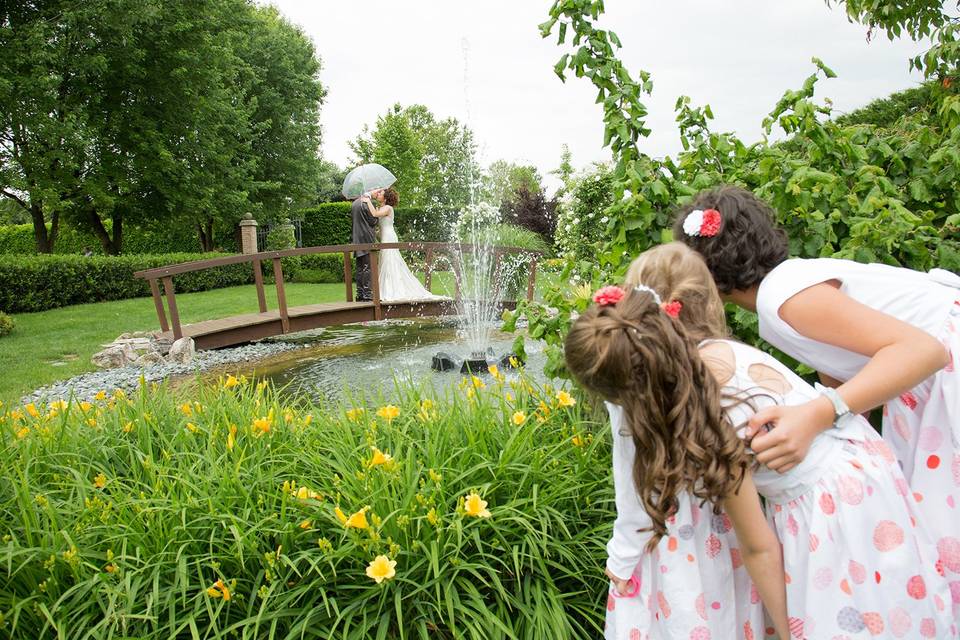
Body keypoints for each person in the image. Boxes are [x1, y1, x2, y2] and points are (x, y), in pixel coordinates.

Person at [565, 242, 955, 639]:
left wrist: (789, 632)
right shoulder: (716, 353)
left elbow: (759, 547)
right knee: (891, 609)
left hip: (832, 512)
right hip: (869, 474)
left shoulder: (699, 406)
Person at [672, 186, 960, 607]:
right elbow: (848, 377)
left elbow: (924, 351)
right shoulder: (788, 288)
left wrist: (817, 414)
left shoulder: (782, 298)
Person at [361, 187, 446, 302]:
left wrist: (367, 201)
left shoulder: (388, 208)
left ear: (386, 197)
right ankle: (387, 288)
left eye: (381, 193)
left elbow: (375, 214)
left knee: (390, 261)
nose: (378, 194)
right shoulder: (381, 207)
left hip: (389, 237)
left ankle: (393, 290)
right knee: (386, 262)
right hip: (384, 237)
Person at [351, 188, 382, 301]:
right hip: (367, 238)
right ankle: (368, 295)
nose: (377, 193)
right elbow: (372, 221)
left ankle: (359, 294)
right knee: (368, 267)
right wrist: (377, 215)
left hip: (357, 238)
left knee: (360, 268)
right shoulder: (367, 203)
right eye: (377, 191)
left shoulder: (355, 203)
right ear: (371, 189)